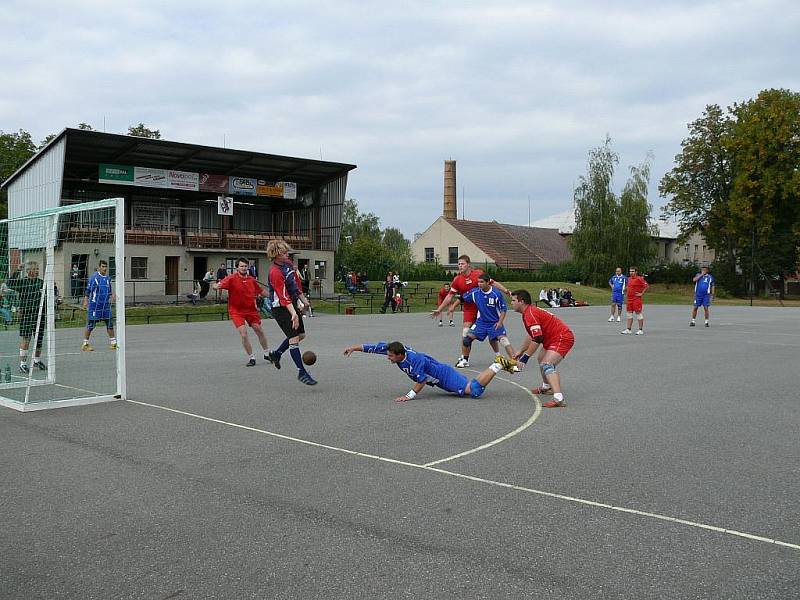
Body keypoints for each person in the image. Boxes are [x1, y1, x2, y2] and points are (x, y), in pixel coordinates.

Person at [342, 341, 517, 402]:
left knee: (474, 392)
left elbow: (422, 380)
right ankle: (499, 365)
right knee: (471, 388)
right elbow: (373, 348)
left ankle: (498, 364)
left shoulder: (414, 360)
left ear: (399, 355)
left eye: (390, 356)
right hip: (440, 376)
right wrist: (354, 348)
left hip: (444, 376)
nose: (388, 357)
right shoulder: (395, 350)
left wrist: (408, 396)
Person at [431, 255, 510, 368]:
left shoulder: (478, 274)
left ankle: (499, 356)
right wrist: (440, 309)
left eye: (462, 264)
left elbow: (493, 283)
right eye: (458, 264)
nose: (460, 266)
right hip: (469, 308)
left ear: (468, 264)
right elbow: (449, 296)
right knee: (465, 333)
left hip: (484, 307)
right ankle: (465, 359)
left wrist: (506, 291)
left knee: (494, 333)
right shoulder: (457, 279)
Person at [510, 289, 575, 408]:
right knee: (541, 359)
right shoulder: (528, 312)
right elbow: (532, 335)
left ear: (522, 302)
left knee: (547, 364)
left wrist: (525, 358)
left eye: (513, 300)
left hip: (562, 337)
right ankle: (547, 387)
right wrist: (521, 350)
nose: (511, 303)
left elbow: (538, 338)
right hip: (551, 338)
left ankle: (558, 398)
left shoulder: (530, 314)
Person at [265, 240, 316, 385]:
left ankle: (276, 354)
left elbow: (294, 285)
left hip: (291, 303)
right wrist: (293, 313)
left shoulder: (287, 264)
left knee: (301, 335)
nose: (287, 254)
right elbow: (283, 296)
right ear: (276, 254)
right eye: (284, 252)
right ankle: (302, 372)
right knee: (293, 338)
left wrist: (303, 299)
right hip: (280, 307)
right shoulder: (274, 272)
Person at [213, 257, 272, 367]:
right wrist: (215, 286)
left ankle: (267, 353)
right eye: (241, 266)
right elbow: (217, 285)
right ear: (237, 268)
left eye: (245, 266)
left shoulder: (251, 280)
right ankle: (252, 357)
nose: (244, 268)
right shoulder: (231, 279)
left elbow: (261, 291)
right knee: (244, 334)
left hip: (251, 310)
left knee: (259, 330)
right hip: (236, 311)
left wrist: (274, 296)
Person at [460, 273, 516, 365]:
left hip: (495, 322)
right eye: (478, 282)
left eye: (481, 282)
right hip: (481, 323)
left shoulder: (496, 294)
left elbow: (503, 309)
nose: (479, 284)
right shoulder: (475, 292)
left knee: (503, 340)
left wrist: (500, 322)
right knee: (466, 339)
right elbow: (462, 298)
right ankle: (465, 360)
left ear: (488, 282)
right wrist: (452, 303)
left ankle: (514, 362)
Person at [6, 261, 47, 373]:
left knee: (39, 339)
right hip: (27, 315)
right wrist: (18, 270)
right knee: (26, 338)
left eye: (38, 268)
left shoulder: (41, 283)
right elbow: (9, 283)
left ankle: (37, 361)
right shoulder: (23, 282)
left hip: (40, 315)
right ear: (28, 271)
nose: (37, 271)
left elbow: (46, 297)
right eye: (35, 269)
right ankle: (22, 364)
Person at [81, 260, 117, 351]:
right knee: (91, 325)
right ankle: (85, 344)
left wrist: (112, 296)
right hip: (95, 306)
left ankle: (113, 343)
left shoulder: (108, 279)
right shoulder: (94, 278)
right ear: (99, 267)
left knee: (109, 323)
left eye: (106, 267)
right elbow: (88, 290)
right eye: (103, 266)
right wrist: (85, 301)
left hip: (105, 306)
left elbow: (109, 292)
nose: (105, 268)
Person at [621, 266, 649, 335]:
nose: (631, 273)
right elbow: (630, 286)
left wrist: (641, 293)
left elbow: (646, 286)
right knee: (629, 314)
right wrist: (625, 289)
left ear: (636, 272)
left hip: (636, 299)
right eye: (630, 271)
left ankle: (640, 329)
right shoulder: (629, 279)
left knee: (638, 313)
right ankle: (628, 329)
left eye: (633, 271)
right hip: (629, 299)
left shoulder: (639, 278)